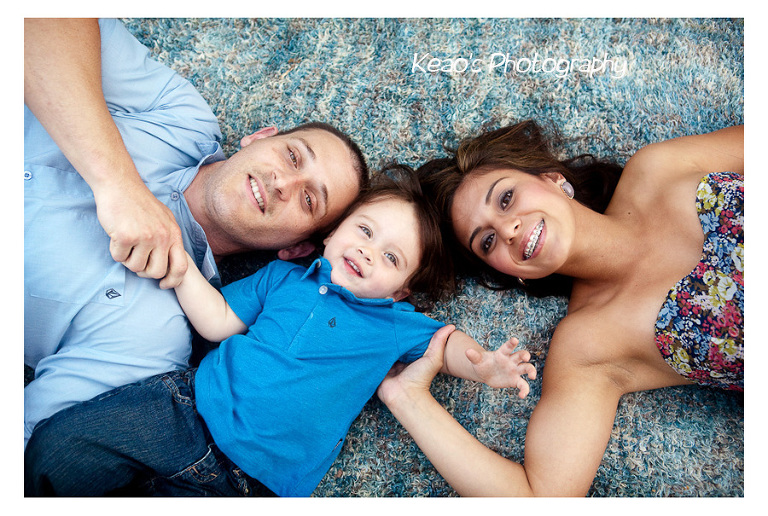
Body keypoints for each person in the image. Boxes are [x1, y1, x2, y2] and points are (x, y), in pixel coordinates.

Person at [24, 167, 536, 497]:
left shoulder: (393, 323)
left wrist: (484, 365)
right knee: (58, 450)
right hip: (186, 410)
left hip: (252, 484)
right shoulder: (282, 278)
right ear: (332, 233)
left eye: (391, 258)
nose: (366, 251)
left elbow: (446, 344)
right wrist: (180, 268)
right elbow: (219, 321)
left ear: (401, 290)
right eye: (364, 231)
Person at [24, 18, 368, 447]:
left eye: (309, 200)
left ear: (296, 247)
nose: (284, 183)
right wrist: (119, 186)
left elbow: (32, 454)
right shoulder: (180, 117)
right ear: (259, 137)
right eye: (293, 157)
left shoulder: (154, 339)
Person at [376, 120, 743, 496]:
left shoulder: (658, 168)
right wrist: (407, 399)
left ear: (552, 178)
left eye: (506, 198)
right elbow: (541, 497)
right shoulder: (590, 344)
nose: (507, 230)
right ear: (509, 272)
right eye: (487, 242)